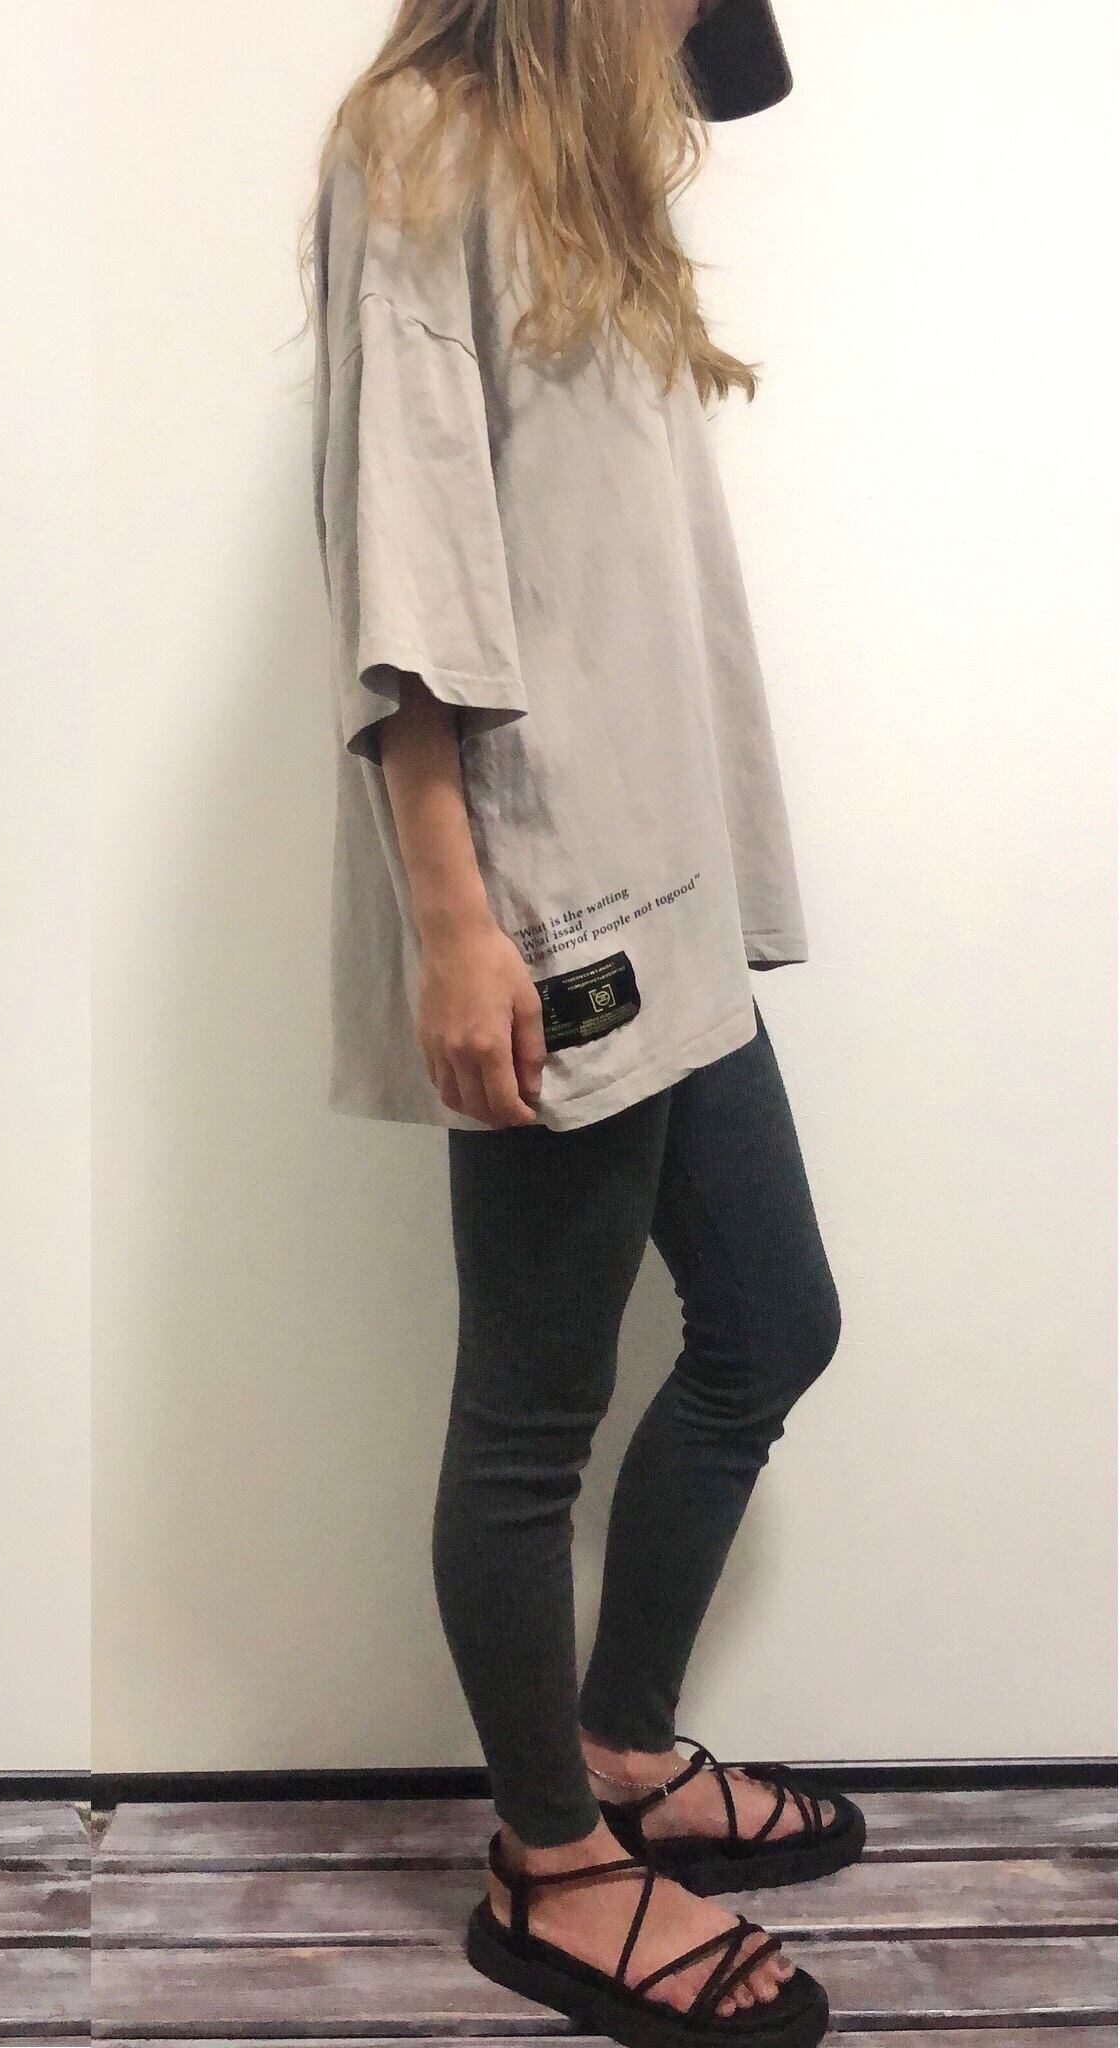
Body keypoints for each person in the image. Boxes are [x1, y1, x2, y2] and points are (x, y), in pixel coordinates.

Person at [308, 3, 863, 2044]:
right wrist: (455, 923)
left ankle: (620, 1742)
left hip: (667, 870)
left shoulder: (583, 165)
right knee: (527, 1417)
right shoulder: (417, 144)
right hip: (552, 903)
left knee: (772, 1319)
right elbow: (405, 569)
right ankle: (548, 1860)